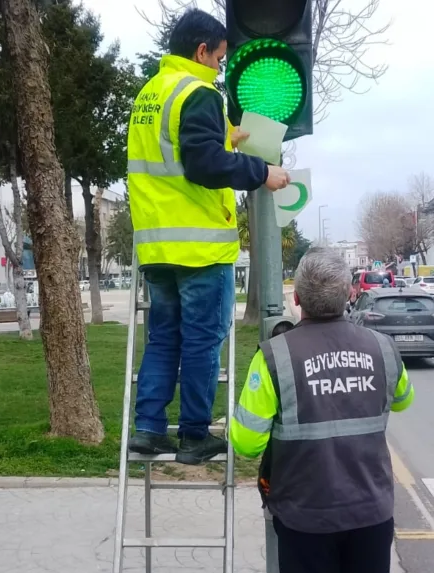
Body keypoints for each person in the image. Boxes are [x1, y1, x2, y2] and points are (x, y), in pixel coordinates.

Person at [126, 8, 291, 465]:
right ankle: (195, 436)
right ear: (201, 51)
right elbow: (201, 166)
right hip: (198, 248)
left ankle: (149, 430)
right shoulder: (198, 92)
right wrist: (262, 172)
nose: (220, 67)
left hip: (158, 247)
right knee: (202, 341)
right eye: (219, 58)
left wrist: (226, 139)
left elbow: (178, 155)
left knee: (163, 339)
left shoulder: (152, 93)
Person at [229, 251, 414, 573]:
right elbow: (403, 400)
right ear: (350, 294)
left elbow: (245, 442)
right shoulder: (383, 348)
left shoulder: (274, 357)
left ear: (297, 299)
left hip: (304, 519)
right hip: (370, 513)